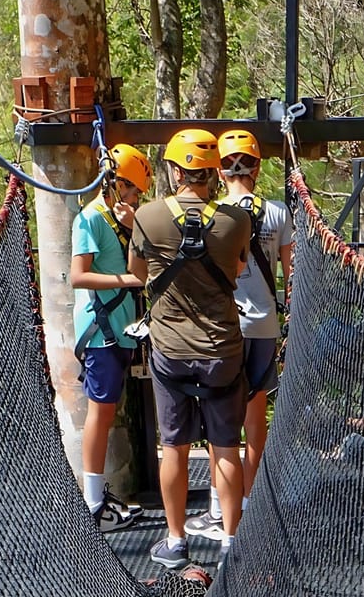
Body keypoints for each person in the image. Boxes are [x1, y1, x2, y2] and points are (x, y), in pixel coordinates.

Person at [128, 129, 251, 569]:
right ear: (213, 171)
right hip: (222, 349)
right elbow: (237, 270)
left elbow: (137, 271)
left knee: (175, 446)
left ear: (175, 170)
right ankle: (232, 540)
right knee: (225, 446)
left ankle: (177, 539)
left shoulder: (148, 216)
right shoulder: (237, 219)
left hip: (171, 351)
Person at [184, 129, 293, 541]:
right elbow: (292, 273)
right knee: (254, 419)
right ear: (257, 166)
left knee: (220, 418)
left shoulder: (210, 214)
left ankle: (218, 508)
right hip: (264, 325)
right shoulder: (279, 213)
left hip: (224, 326)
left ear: (219, 168)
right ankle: (248, 505)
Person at [71, 143, 153, 532]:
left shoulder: (123, 220)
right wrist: (127, 280)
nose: (136, 197)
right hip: (101, 329)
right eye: (133, 190)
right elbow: (78, 275)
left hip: (120, 328)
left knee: (106, 410)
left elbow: (144, 268)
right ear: (115, 184)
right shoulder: (89, 219)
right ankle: (91, 503)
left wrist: (135, 225)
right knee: (100, 413)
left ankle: (98, 498)